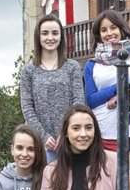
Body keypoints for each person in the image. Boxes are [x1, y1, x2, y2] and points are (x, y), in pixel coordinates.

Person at [20, 14, 85, 161]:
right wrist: (44, 136)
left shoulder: (72, 67)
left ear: (61, 36)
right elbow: (27, 107)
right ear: (38, 36)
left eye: (55, 33)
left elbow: (78, 102)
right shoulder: (28, 70)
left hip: (69, 141)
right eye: (45, 33)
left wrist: (66, 132)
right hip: (40, 143)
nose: (50, 37)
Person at [84, 10, 130, 151]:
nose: (109, 33)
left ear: (121, 29)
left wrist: (125, 94)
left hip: (127, 128)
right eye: (104, 30)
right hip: (101, 129)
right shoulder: (92, 64)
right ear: (99, 34)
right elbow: (91, 100)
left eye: (113, 28)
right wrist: (119, 86)